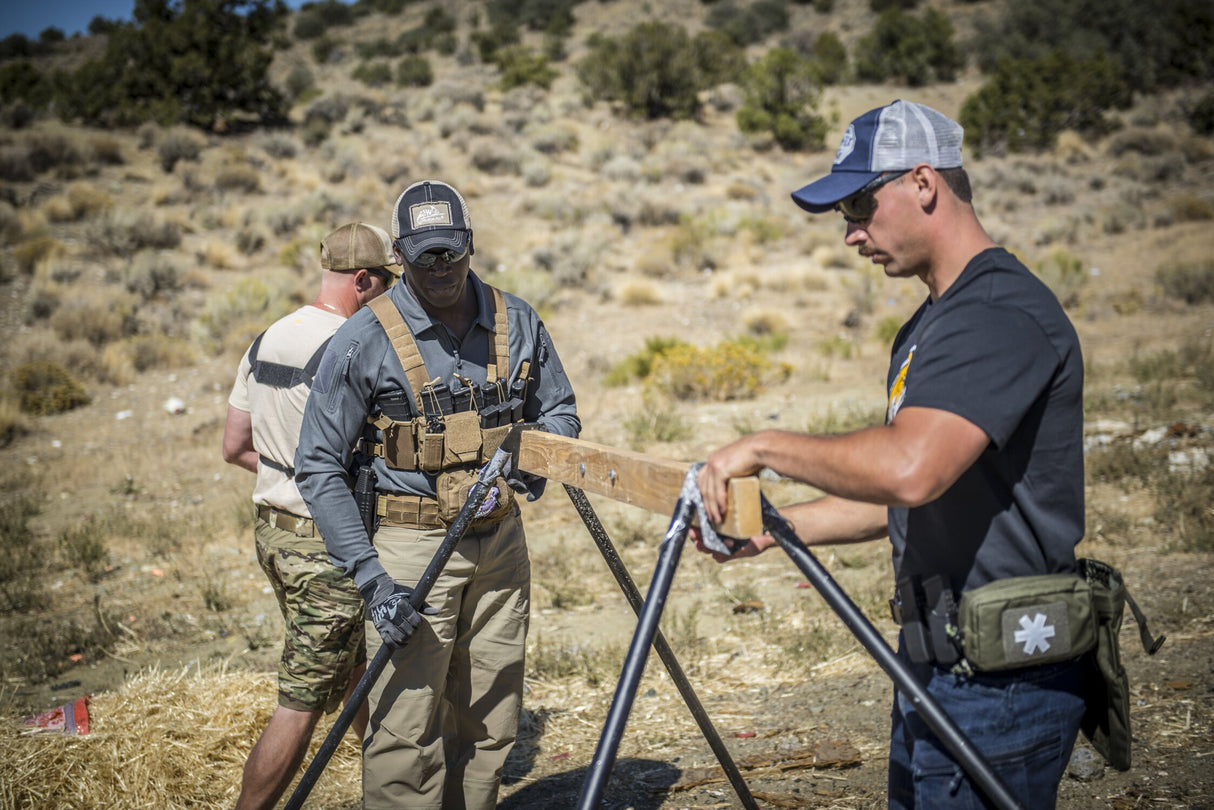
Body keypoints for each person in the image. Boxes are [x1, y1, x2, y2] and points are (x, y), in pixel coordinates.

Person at [694, 100, 1088, 808]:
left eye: (859, 203)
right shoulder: (932, 323)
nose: (849, 233)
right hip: (939, 667)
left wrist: (762, 447)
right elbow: (915, 492)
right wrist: (780, 527)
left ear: (924, 183)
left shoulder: (997, 313)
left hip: (1000, 683)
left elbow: (911, 468)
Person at [295, 179, 580, 810]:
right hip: (408, 550)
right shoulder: (361, 341)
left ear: (470, 245)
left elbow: (559, 413)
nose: (441, 268)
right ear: (399, 255)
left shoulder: (519, 321)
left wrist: (518, 468)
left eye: (450, 252)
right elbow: (317, 465)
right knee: (405, 728)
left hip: (501, 547)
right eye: (424, 256)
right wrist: (372, 580)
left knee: (491, 717)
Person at [221, 221, 399, 810]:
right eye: (384, 285)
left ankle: (388, 769)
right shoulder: (347, 346)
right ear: (364, 279)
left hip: (272, 530)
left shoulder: (268, 337)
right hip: (326, 548)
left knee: (349, 664)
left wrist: (287, 481)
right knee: (299, 704)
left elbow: (234, 446)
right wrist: (329, 492)